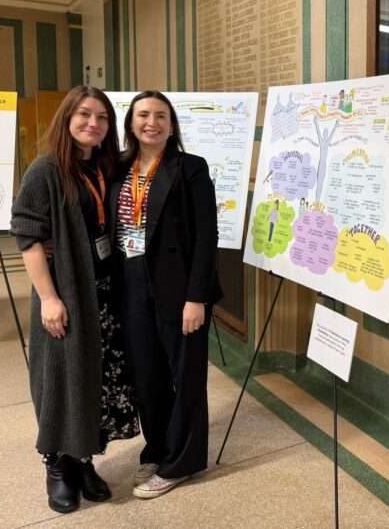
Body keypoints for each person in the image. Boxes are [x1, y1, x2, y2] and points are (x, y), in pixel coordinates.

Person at [11, 86, 138, 514]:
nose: (93, 124)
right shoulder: (45, 170)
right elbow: (28, 236)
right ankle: (57, 465)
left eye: (102, 117)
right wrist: (48, 298)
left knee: (95, 380)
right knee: (60, 378)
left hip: (103, 293)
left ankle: (83, 460)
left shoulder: (104, 166)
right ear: (66, 118)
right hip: (65, 292)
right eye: (84, 115)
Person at [110, 90, 222, 499]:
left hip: (180, 289)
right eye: (143, 115)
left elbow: (207, 236)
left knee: (186, 375)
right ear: (131, 123)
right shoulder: (119, 167)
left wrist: (198, 297)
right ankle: (157, 449)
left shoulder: (190, 167)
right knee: (147, 374)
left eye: (160, 115)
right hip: (131, 280)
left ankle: (183, 461)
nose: (151, 122)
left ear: (171, 124)